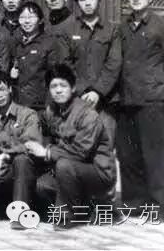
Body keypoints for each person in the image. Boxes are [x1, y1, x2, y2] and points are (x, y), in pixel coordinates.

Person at [116, 0, 164, 221]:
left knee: (154, 154)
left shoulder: (162, 27)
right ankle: (134, 202)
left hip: (152, 101)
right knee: (128, 154)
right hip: (126, 99)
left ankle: (158, 206)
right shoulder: (122, 27)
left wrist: (160, 87)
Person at [26, 65, 115, 230]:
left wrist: (47, 152)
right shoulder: (52, 111)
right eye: (53, 86)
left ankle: (68, 217)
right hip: (73, 171)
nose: (58, 90)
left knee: (63, 165)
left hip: (98, 173)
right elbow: (43, 131)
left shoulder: (87, 114)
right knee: (41, 185)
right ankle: (85, 209)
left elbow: (80, 153)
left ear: (73, 88)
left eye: (63, 85)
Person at [58, 0, 121, 143]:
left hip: (107, 101)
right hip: (78, 99)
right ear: (77, 3)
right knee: (80, 146)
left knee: (106, 146)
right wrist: (83, 90)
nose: (87, 3)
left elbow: (114, 64)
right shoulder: (67, 30)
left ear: (99, 0)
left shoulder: (112, 30)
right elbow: (65, 64)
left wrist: (98, 92)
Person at [0, 70, 41, 227]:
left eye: (2, 89)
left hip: (23, 172)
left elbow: (31, 144)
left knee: (21, 160)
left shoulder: (27, 114)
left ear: (10, 89)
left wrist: (4, 155)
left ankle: (20, 214)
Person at [10, 2, 64, 113]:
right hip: (17, 103)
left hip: (39, 106)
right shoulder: (16, 42)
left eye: (31, 17)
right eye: (22, 17)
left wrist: (50, 105)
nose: (26, 21)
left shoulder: (49, 43)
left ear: (40, 20)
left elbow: (54, 77)